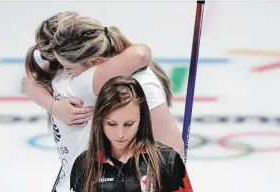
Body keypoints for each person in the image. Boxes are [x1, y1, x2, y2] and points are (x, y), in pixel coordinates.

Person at [23, 13, 152, 192]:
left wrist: (53, 106)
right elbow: (140, 54)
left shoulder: (59, 78)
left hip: (68, 182)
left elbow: (28, 80)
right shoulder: (85, 80)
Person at [70, 76, 192, 192]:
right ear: (99, 120)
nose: (120, 134)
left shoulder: (167, 161)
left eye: (128, 124)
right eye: (112, 124)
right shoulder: (84, 165)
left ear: (142, 119)